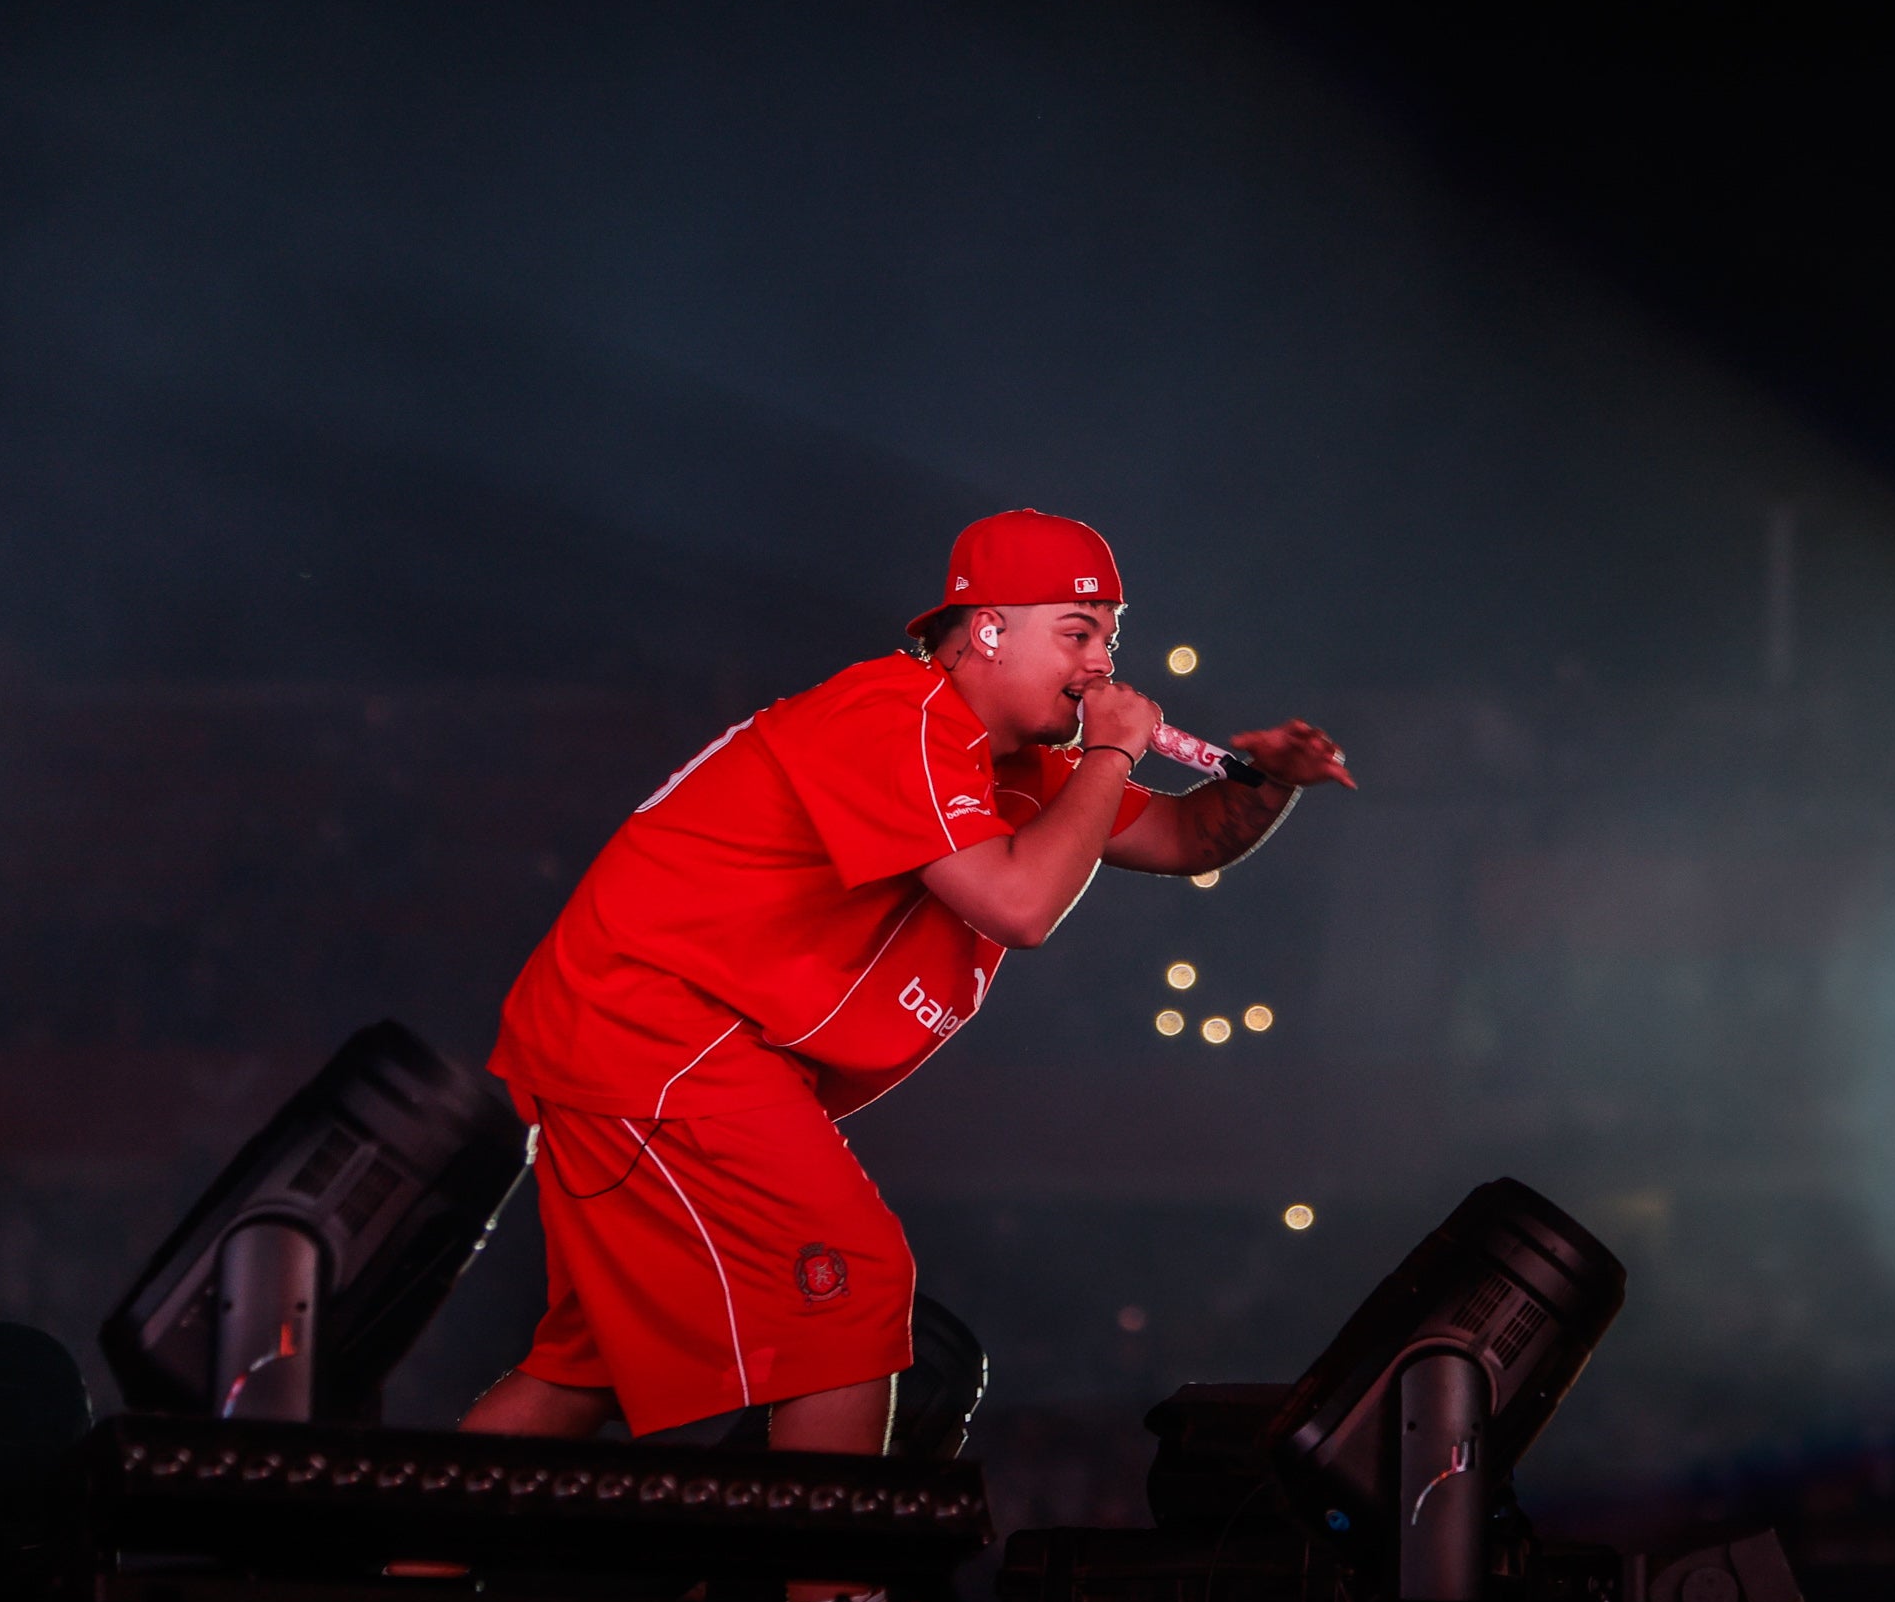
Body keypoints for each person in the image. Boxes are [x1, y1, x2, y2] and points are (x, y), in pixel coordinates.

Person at [458, 508, 1352, 1461]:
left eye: (1109, 638)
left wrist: (1270, 782)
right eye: (1079, 633)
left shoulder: (1024, 762)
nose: (1100, 663)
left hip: (678, 1038)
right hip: (653, 1027)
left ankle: (398, 1574)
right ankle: (836, 1596)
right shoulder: (897, 717)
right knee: (859, 1282)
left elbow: (1185, 838)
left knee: (581, 1370)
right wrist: (1113, 750)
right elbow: (1020, 906)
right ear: (992, 629)